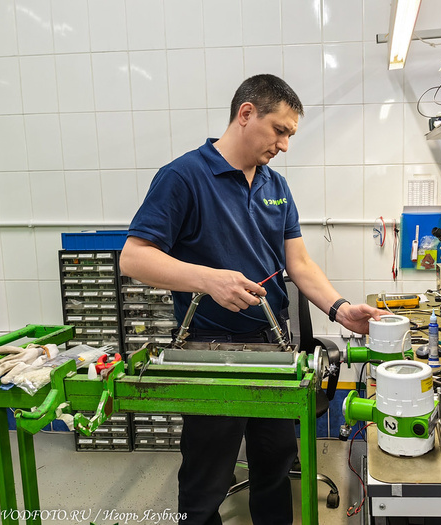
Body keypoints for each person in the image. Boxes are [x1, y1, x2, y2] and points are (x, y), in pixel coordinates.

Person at [120, 73, 385, 525]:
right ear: (246, 114)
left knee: (275, 465)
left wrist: (341, 310)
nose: (284, 145)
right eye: (279, 130)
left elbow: (299, 264)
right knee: (206, 479)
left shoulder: (275, 187)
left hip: (273, 348)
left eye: (290, 134)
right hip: (210, 352)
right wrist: (208, 280)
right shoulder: (183, 177)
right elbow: (134, 258)